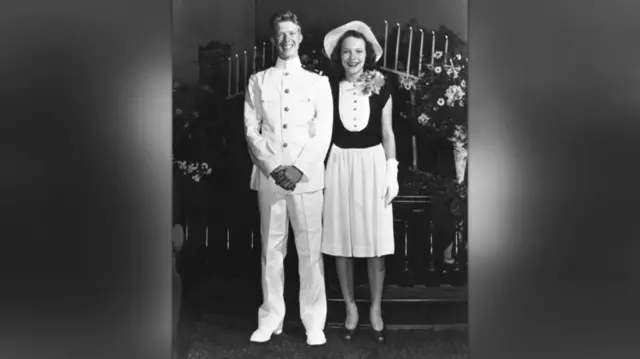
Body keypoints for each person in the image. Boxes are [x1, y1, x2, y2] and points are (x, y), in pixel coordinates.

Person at [243, 10, 334, 346]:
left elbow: (322, 132)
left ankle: (314, 322)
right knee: (271, 250)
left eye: (291, 33)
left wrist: (298, 168)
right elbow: (252, 131)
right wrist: (271, 167)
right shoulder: (258, 81)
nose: (286, 40)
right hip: (270, 179)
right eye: (280, 34)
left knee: (310, 252)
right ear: (273, 39)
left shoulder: (317, 82)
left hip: (305, 179)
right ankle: (271, 318)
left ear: (300, 36)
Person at [321, 21, 399, 343]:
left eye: (359, 51)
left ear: (368, 55)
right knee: (342, 243)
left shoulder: (382, 87)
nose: (353, 57)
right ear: (339, 56)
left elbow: (387, 133)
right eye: (347, 52)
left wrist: (391, 172)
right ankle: (351, 308)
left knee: (374, 245)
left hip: (372, 165)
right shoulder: (326, 87)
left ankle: (375, 309)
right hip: (339, 165)